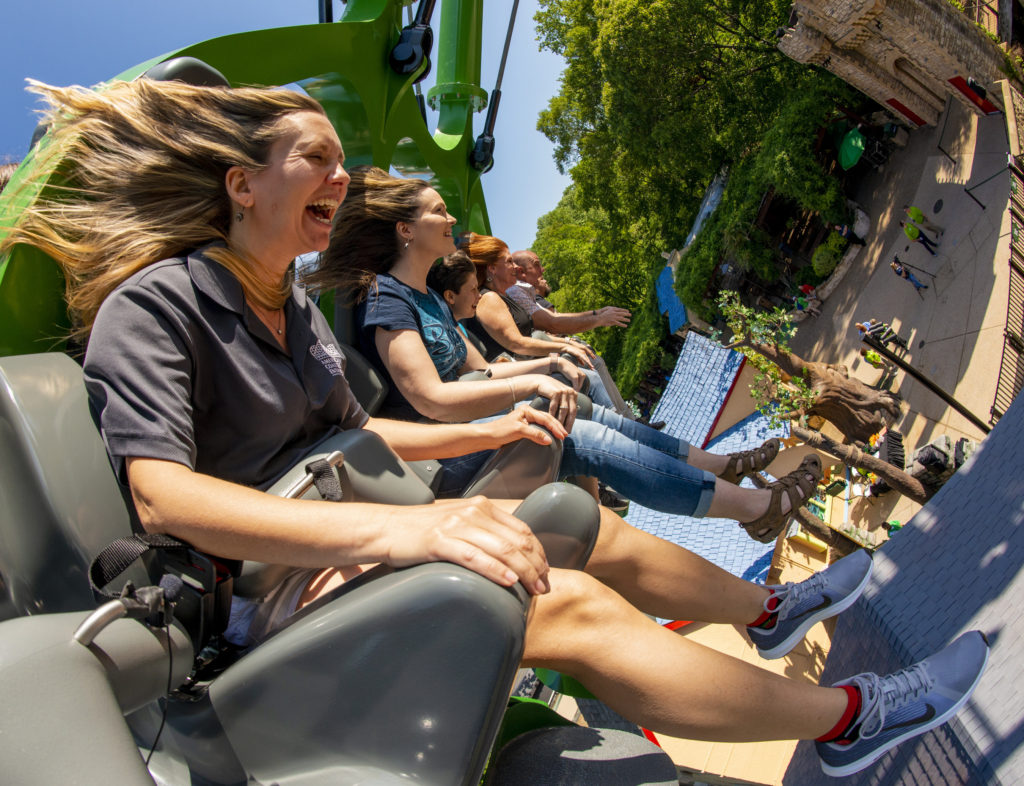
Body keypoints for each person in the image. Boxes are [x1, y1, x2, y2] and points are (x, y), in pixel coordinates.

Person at [2, 79, 987, 779]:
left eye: (343, 167)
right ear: (241, 183)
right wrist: (410, 530)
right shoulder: (158, 304)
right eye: (318, 161)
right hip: (264, 596)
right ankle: (851, 720)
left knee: (565, 506)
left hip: (353, 531)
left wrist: (503, 417)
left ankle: (766, 614)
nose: (341, 182)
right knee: (553, 600)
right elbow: (163, 495)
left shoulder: (294, 309)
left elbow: (369, 440)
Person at [310, 165, 824, 541]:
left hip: (478, 421)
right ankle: (754, 507)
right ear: (406, 229)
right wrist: (533, 381)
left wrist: (551, 365)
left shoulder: (426, 295)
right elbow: (431, 400)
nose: (450, 219)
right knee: (573, 430)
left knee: (581, 406)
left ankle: (721, 467)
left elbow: (482, 369)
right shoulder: (387, 298)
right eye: (438, 211)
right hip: (448, 456)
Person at [510, 248, 638, 422]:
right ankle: (625, 423)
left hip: (543, 356)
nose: (542, 270)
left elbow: (553, 319)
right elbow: (552, 324)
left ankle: (629, 421)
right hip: (532, 366)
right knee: (591, 371)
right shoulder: (512, 292)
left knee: (594, 363)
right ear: (520, 272)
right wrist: (596, 320)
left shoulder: (521, 293)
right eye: (537, 265)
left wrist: (597, 314)